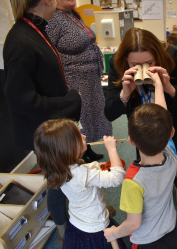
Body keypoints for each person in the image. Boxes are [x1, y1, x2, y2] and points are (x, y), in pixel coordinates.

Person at [3, 0, 81, 246]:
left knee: (64, 174)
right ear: (46, 1)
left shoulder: (35, 30)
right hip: (42, 129)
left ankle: (75, 217)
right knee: (57, 180)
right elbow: (19, 99)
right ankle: (62, 228)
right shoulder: (21, 40)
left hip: (50, 124)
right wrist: (68, 103)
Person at [104, 28, 177, 207]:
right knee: (144, 154)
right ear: (125, 60)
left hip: (170, 119)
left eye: (149, 62)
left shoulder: (172, 56)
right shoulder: (116, 63)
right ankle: (148, 186)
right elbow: (109, 113)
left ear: (157, 56)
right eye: (135, 64)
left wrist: (170, 88)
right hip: (139, 124)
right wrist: (124, 94)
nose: (143, 69)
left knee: (175, 149)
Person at [103, 67, 177, 248]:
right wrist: (158, 85)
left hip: (147, 241)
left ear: (130, 140)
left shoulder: (133, 181)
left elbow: (133, 224)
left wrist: (113, 232)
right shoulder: (171, 156)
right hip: (170, 230)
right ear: (171, 133)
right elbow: (162, 115)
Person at [34, 119, 127, 249]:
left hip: (77, 223)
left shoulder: (58, 168)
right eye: (79, 136)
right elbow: (117, 177)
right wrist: (112, 150)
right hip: (96, 227)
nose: (84, 136)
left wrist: (94, 166)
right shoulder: (83, 174)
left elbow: (81, 173)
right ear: (68, 148)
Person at [46, 0, 112, 163]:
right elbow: (50, 51)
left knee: (90, 114)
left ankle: (87, 148)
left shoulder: (72, 14)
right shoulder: (53, 19)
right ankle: (79, 154)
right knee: (80, 116)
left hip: (90, 79)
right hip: (74, 79)